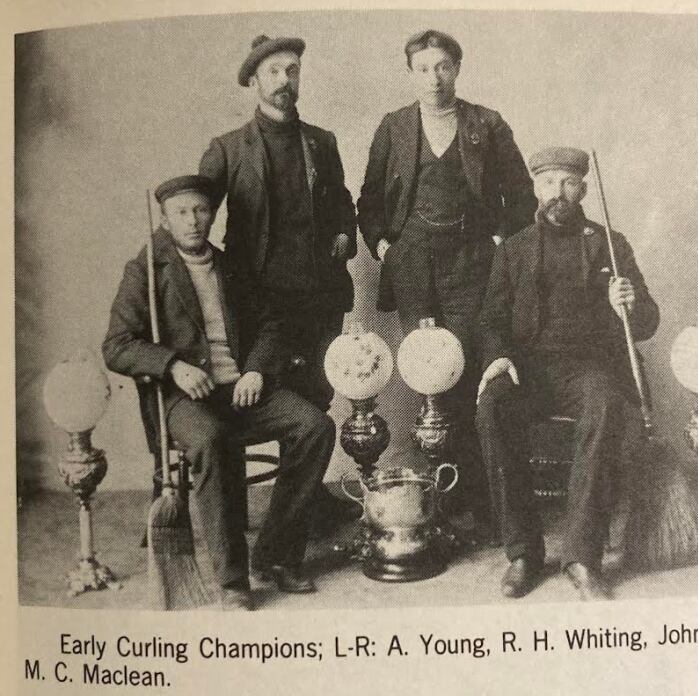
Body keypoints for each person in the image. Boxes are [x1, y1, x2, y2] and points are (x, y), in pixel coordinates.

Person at [103, 175, 336, 610]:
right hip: (184, 399)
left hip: (241, 390)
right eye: (182, 213)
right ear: (165, 219)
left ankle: (277, 556)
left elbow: (271, 325)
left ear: (212, 213)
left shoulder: (230, 266)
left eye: (201, 210)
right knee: (213, 440)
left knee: (315, 426)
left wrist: (256, 370)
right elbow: (117, 346)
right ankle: (232, 580)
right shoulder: (147, 269)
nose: (193, 221)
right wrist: (172, 365)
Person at [357, 29, 537, 535]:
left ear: (456, 69)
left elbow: (522, 198)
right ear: (410, 73)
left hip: (473, 264)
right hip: (414, 265)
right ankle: (442, 497)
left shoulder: (487, 124)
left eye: (443, 67)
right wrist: (386, 248)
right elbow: (369, 202)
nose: (434, 78)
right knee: (430, 374)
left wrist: (500, 243)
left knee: (472, 371)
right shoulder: (394, 127)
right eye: (423, 68)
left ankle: (484, 503)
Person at [475, 147, 660, 600]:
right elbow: (491, 319)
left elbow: (649, 322)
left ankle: (581, 556)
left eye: (568, 183)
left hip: (589, 367)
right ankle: (523, 553)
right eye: (548, 182)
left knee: (605, 404)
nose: (558, 193)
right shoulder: (514, 248)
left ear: (583, 188)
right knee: (492, 406)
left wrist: (629, 306)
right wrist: (499, 357)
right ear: (535, 187)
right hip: (529, 368)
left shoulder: (610, 245)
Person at [199, 35, 359, 531]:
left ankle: (306, 498)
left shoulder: (321, 141)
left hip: (319, 294)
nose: (285, 81)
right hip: (259, 304)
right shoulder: (228, 149)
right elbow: (196, 215)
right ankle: (290, 511)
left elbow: (343, 203)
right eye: (274, 72)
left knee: (316, 396)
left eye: (292, 71)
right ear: (254, 80)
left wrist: (343, 234)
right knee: (279, 394)